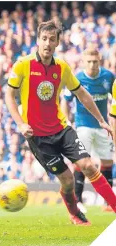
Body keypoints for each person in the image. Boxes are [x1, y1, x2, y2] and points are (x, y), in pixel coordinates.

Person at [5, 19, 116, 226]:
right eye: (44, 39)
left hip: (62, 129)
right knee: (67, 180)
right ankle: (75, 213)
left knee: (88, 166)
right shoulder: (23, 65)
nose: (47, 43)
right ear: (38, 40)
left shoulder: (62, 67)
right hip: (38, 137)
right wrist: (20, 123)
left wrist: (101, 120)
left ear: (57, 43)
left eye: (52, 39)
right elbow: (9, 95)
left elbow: (82, 94)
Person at [62, 48, 115, 213]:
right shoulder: (77, 78)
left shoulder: (108, 77)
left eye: (95, 61)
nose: (92, 65)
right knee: (83, 162)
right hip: (83, 125)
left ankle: (108, 203)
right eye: (89, 61)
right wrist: (66, 120)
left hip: (103, 125)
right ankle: (77, 200)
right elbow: (66, 99)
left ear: (100, 60)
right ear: (84, 61)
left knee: (107, 162)